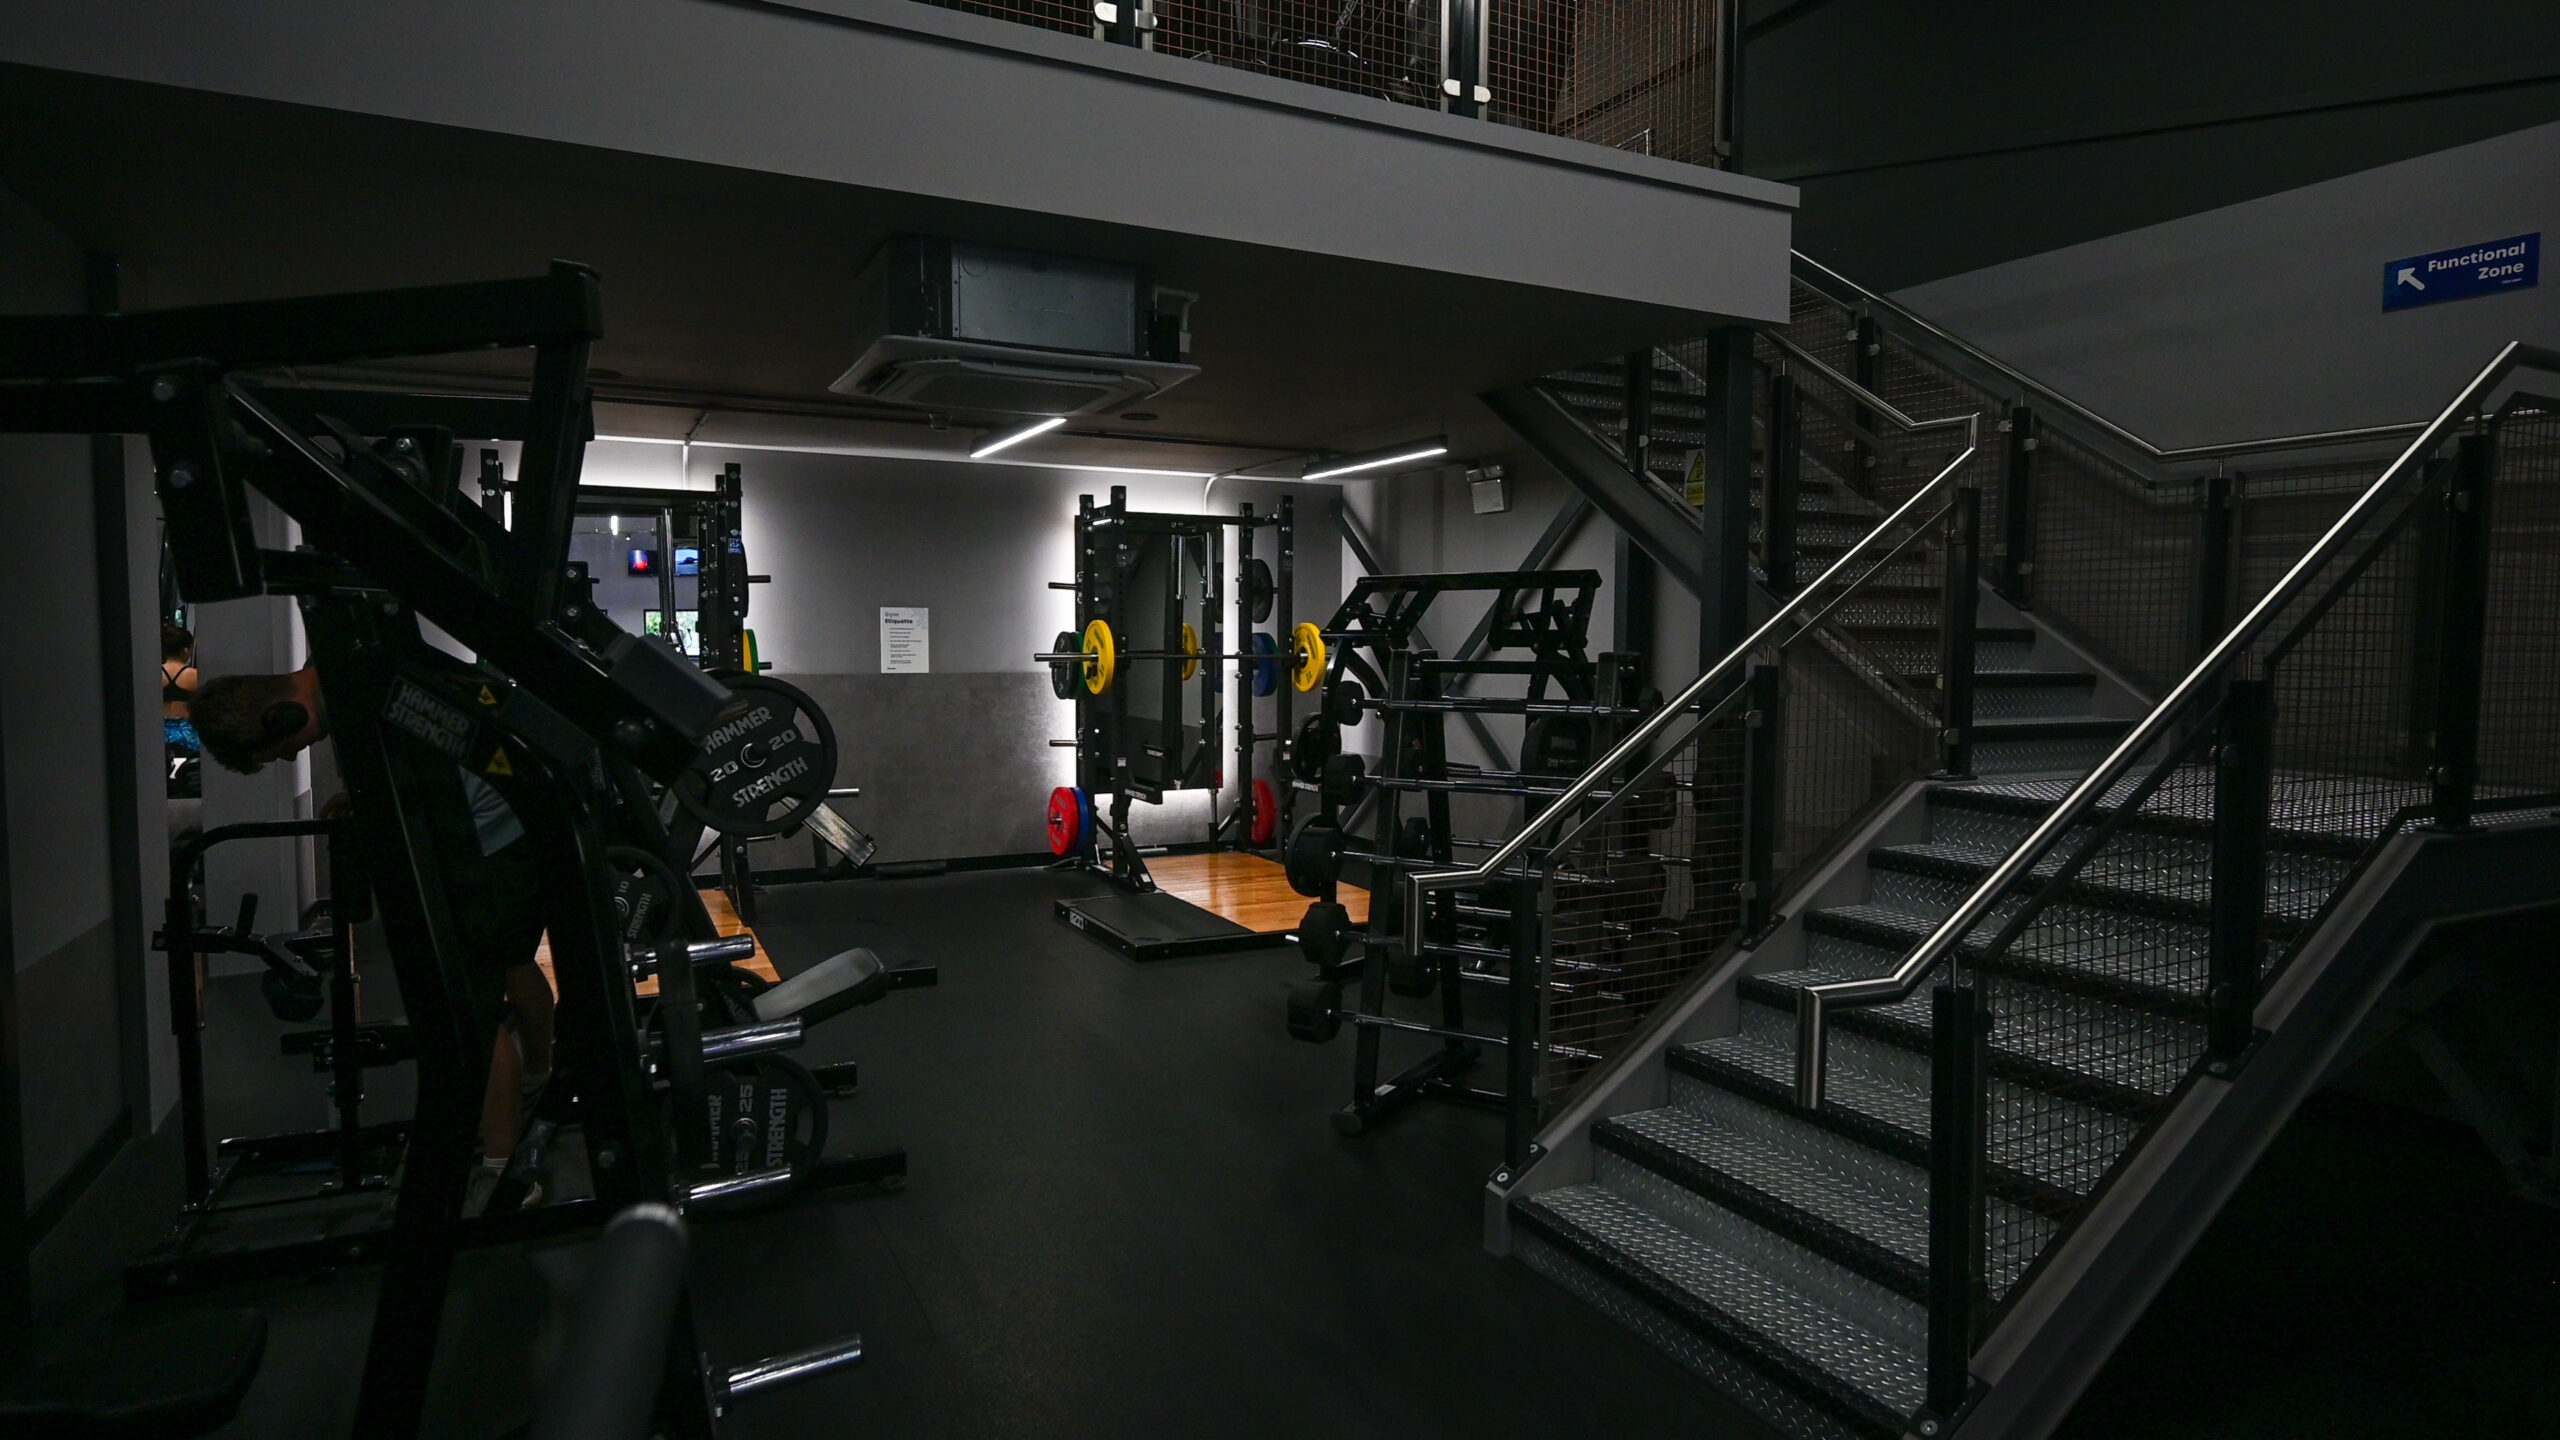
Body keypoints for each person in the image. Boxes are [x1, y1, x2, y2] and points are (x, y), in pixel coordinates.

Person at [193, 666, 557, 1213]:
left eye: (282, 747)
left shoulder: (362, 697)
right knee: (511, 964)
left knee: (473, 1009)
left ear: (282, 715)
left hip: (486, 846)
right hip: (507, 835)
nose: (291, 756)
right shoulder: (352, 683)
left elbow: (427, 779)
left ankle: (504, 1173)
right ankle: (538, 1079)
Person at [161, 622, 201, 755]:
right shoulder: (194, 676)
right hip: (188, 734)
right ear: (185, 650)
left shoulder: (156, 674)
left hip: (162, 732)